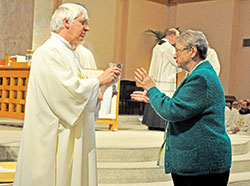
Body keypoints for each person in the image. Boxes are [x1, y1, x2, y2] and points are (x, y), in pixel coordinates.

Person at [13, 3, 121, 186]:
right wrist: (98, 82)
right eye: (83, 22)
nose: (88, 28)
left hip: (71, 130)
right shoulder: (48, 52)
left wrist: (98, 90)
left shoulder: (68, 52)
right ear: (66, 22)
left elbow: (76, 87)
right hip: (55, 134)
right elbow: (66, 91)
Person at [131, 30, 231, 186]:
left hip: (202, 166)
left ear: (192, 51)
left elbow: (172, 110)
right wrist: (153, 98)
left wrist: (152, 89)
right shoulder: (199, 74)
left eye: (178, 50)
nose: (174, 55)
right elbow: (184, 107)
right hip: (199, 163)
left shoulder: (201, 78)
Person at [142, 28, 181, 131]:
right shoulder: (169, 48)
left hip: (156, 78)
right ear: (172, 36)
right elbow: (175, 63)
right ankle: (161, 125)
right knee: (164, 98)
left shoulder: (158, 46)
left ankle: (152, 123)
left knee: (155, 97)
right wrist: (182, 66)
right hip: (166, 79)